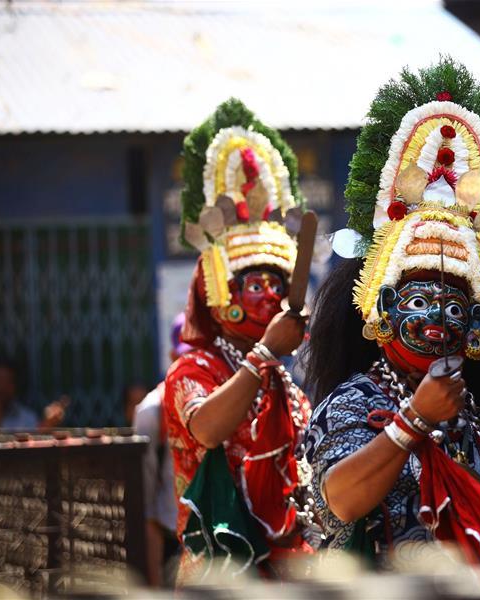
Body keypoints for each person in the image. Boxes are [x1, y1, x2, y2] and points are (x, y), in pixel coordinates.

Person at [303, 58, 480, 567]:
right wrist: (413, 420)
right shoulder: (354, 400)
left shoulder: (468, 411)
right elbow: (341, 498)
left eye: (456, 304)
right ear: (383, 305)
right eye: (419, 299)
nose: (439, 317)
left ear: (478, 324)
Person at [163, 98, 317, 583]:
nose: (271, 295)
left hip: (287, 566)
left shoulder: (286, 384)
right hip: (221, 570)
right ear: (220, 296)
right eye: (255, 284)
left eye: (278, 283)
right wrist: (266, 352)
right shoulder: (195, 371)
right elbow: (207, 429)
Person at [133, 314, 190, 587]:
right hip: (173, 542)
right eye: (187, 357)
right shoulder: (152, 412)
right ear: (171, 356)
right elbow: (146, 507)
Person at [0, 358, 68, 430]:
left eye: (8, 381)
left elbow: (34, 438)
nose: (1, 387)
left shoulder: (27, 418)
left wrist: (48, 424)